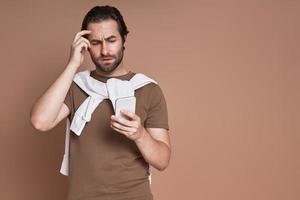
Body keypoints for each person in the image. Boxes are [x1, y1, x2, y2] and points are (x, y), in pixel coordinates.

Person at [30, 5, 171, 200]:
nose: (104, 50)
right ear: (86, 45)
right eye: (95, 42)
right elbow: (40, 121)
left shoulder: (148, 89)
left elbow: (162, 160)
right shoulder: (77, 86)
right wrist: (72, 65)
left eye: (111, 40)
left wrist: (139, 134)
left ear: (124, 41)